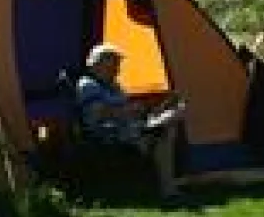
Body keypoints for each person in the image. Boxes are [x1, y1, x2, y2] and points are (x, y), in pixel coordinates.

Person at [74, 43, 188, 199]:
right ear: (99, 63)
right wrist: (129, 110)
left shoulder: (114, 85)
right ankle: (169, 187)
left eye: (117, 63)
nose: (117, 68)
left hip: (129, 124)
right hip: (109, 131)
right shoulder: (88, 85)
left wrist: (140, 110)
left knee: (172, 118)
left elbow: (126, 106)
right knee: (164, 133)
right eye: (114, 63)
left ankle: (168, 183)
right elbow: (97, 114)